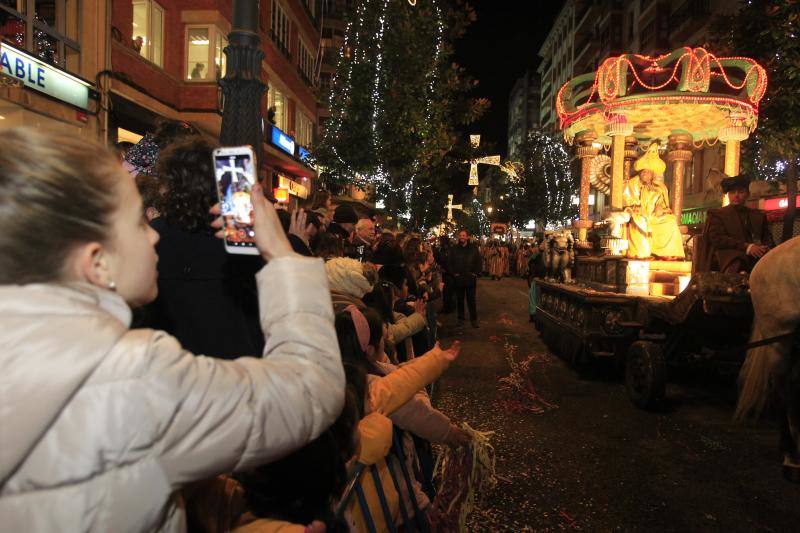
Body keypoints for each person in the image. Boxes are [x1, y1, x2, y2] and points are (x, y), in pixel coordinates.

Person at [0, 127, 345, 531]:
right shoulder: (133, 376)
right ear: (96, 261)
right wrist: (281, 254)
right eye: (137, 221)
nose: (152, 233)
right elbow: (310, 388)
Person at [146, 137, 265, 359]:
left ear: (171, 186)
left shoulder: (152, 238)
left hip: (171, 370)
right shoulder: (241, 241)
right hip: (240, 371)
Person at [700, 173, 775, 273]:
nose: (736, 195)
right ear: (728, 195)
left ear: (747, 194)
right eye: (732, 192)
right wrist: (747, 247)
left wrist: (766, 248)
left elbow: (767, 237)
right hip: (729, 257)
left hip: (757, 254)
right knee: (737, 262)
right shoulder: (718, 214)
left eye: (740, 192)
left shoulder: (757, 215)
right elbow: (717, 239)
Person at [623, 143, 685, 259]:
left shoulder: (657, 188)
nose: (646, 174)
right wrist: (635, 208)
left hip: (653, 216)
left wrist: (660, 208)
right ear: (640, 173)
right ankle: (645, 253)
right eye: (644, 172)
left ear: (652, 175)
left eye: (648, 172)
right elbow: (627, 200)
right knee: (641, 222)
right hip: (639, 215)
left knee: (670, 221)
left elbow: (661, 203)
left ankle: (668, 254)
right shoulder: (632, 183)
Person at [447, 229, 481, 328]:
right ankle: (461, 319)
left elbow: (479, 261)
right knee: (460, 301)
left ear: (467, 237)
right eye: (460, 235)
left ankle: (474, 320)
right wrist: (454, 273)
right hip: (459, 279)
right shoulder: (454, 249)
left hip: (470, 279)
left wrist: (475, 273)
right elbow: (449, 263)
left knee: (471, 301)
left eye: (463, 235)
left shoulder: (473, 248)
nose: (462, 237)